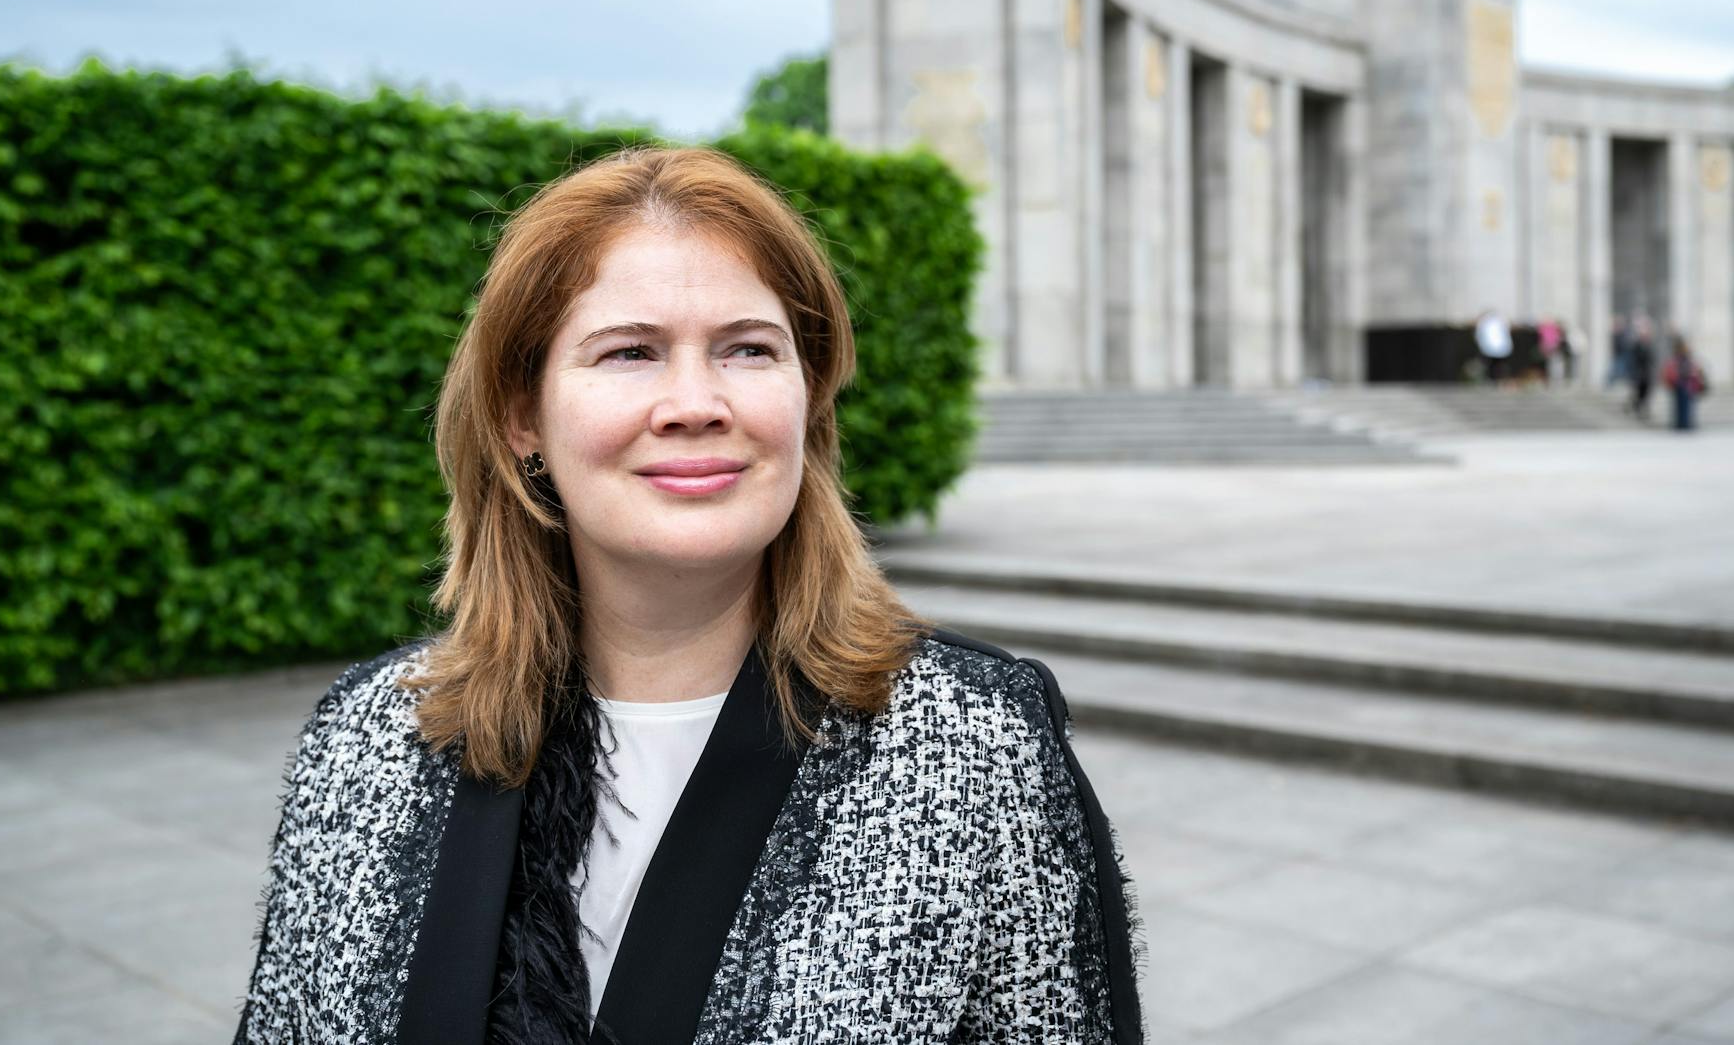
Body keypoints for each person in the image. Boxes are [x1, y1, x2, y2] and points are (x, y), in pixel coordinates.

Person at [232, 147, 1146, 1043]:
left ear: (807, 397)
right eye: (630, 352)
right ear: (521, 415)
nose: (696, 401)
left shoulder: (977, 744)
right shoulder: (363, 741)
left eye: (749, 349)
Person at [1662, 334, 1706, 432]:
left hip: (1686, 384)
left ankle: (1684, 423)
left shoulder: (1686, 359)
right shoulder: (1679, 359)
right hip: (1681, 384)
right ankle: (1682, 423)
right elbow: (1681, 371)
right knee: (1682, 406)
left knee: (1686, 405)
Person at [1626, 316, 1656, 421]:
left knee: (1646, 393)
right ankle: (1637, 409)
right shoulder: (1637, 345)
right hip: (1639, 374)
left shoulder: (1650, 344)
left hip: (1647, 374)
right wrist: (1632, 373)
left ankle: (1644, 410)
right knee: (1639, 393)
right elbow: (1633, 360)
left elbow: (1653, 359)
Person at [1475, 308, 1513, 384]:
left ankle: (1495, 379)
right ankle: (1496, 379)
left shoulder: (1485, 322)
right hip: (1497, 348)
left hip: (1494, 348)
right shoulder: (1499, 320)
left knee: (1494, 366)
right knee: (1496, 365)